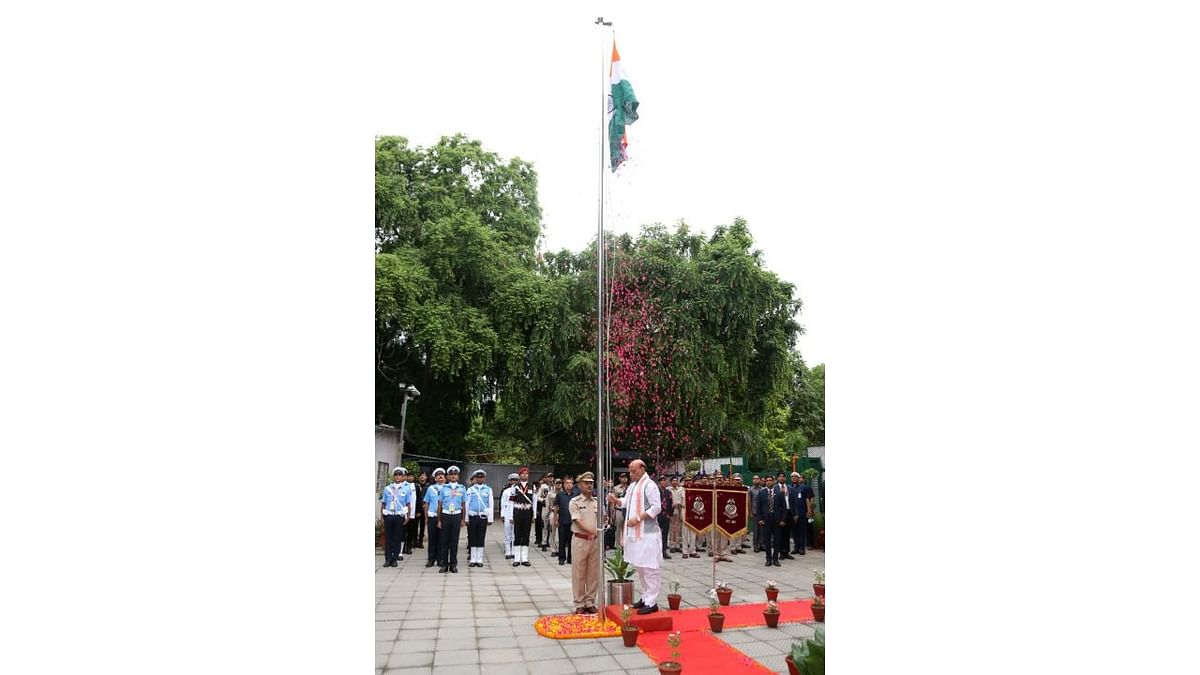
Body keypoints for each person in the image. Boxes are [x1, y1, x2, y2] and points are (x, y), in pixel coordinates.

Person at [606, 459, 663, 614]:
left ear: (642, 469)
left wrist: (638, 518)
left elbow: (656, 507)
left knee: (650, 568)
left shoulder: (650, 485)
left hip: (647, 534)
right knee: (640, 567)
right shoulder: (632, 486)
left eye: (633, 471)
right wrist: (616, 500)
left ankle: (652, 602)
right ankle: (645, 597)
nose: (630, 474)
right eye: (629, 471)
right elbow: (626, 502)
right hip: (634, 534)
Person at [569, 472, 601, 614]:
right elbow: (578, 521)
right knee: (579, 573)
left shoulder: (597, 502)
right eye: (586, 482)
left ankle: (590, 602)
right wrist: (594, 531)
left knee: (593, 573)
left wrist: (599, 531)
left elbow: (603, 518)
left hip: (594, 542)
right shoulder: (575, 502)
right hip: (580, 540)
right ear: (579, 485)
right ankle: (579, 603)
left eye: (591, 482)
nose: (589, 485)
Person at [380, 467, 415, 567]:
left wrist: (408, 517)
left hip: (399, 516)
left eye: (400, 475)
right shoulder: (388, 488)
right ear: (393, 476)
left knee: (397, 538)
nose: (397, 477)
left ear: (402, 476)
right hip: (389, 515)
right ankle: (388, 559)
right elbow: (383, 503)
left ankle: (395, 558)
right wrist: (382, 517)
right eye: (396, 475)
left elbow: (408, 504)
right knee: (388, 539)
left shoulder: (406, 489)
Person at [437, 466, 466, 573]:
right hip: (445, 515)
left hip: (456, 515)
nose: (453, 476)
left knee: (454, 541)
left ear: (458, 476)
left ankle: (453, 564)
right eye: (451, 474)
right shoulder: (444, 488)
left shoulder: (462, 488)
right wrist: (439, 520)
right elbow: (439, 504)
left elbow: (463, 504)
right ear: (448, 476)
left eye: (455, 474)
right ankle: (444, 564)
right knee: (444, 541)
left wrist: (463, 519)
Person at [509, 467, 538, 567]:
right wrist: (511, 516)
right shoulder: (515, 487)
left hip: (527, 512)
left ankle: (524, 558)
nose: (525, 475)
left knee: (526, 535)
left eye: (526, 474)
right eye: (523, 474)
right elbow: (511, 502)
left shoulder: (532, 487)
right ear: (519, 475)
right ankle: (517, 558)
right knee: (517, 534)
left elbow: (534, 502)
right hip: (517, 511)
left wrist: (534, 515)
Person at [464, 469, 493, 568]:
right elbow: (467, 504)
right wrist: (466, 518)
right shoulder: (470, 490)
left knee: (481, 537)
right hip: (473, 516)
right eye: (478, 477)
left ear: (484, 478)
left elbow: (491, 504)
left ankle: (479, 559)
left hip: (483, 516)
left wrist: (490, 518)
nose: (480, 479)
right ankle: (473, 559)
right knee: (472, 537)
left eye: (481, 477)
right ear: (475, 478)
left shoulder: (488, 489)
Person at [756, 474, 786, 567]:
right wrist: (760, 519)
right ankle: (768, 559)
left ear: (773, 481)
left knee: (777, 540)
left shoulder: (780, 493)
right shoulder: (762, 493)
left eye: (770, 480)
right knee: (767, 540)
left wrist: (783, 519)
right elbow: (758, 507)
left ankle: (775, 559)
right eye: (767, 480)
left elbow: (784, 508)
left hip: (776, 519)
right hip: (766, 519)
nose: (768, 482)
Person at [423, 468, 445, 568]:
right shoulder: (430, 489)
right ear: (435, 478)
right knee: (432, 538)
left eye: (442, 476)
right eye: (438, 476)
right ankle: (431, 559)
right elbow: (426, 503)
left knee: (441, 539)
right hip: (432, 516)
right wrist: (426, 517)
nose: (440, 477)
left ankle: (440, 559)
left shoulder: (448, 488)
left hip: (443, 517)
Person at [788, 471, 812, 555]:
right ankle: (796, 547)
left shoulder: (803, 488)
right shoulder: (788, 487)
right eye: (792, 477)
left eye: (795, 476)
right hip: (792, 513)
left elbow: (807, 499)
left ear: (798, 478)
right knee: (794, 532)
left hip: (802, 512)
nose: (794, 478)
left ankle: (802, 548)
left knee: (802, 531)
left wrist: (809, 510)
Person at [553, 476, 575, 564]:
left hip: (573, 521)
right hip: (562, 520)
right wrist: (555, 519)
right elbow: (556, 507)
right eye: (567, 483)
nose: (569, 485)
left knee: (571, 541)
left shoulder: (575, 495)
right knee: (562, 540)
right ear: (564, 485)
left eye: (570, 483)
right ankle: (562, 558)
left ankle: (570, 558)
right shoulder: (560, 495)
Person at [774, 472, 794, 560]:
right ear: (777, 478)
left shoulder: (789, 487)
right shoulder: (775, 488)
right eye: (780, 476)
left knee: (787, 534)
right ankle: (781, 552)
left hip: (789, 512)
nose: (781, 478)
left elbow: (793, 500)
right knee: (780, 534)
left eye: (783, 476)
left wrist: (795, 513)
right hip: (780, 514)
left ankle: (787, 552)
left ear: (785, 478)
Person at [409, 471, 428, 550]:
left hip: (425, 507)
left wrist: (425, 504)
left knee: (423, 525)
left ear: (426, 477)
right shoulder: (416, 486)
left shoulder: (428, 486)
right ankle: (414, 541)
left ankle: (420, 541)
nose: (422, 477)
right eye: (421, 476)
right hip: (417, 508)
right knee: (415, 525)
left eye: (424, 475)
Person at [500, 473, 517, 559]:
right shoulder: (506, 491)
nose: (514, 481)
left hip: (516, 512)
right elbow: (502, 503)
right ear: (509, 481)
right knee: (507, 533)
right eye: (512, 480)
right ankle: (507, 551)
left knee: (515, 533)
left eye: (516, 480)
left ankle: (514, 551)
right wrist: (502, 514)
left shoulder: (519, 490)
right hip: (507, 512)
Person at [611, 472, 629, 548]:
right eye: (622, 477)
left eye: (625, 477)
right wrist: (612, 514)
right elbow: (613, 501)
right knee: (618, 529)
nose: (624, 478)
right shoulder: (616, 488)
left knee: (626, 529)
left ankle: (626, 545)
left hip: (627, 511)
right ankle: (618, 546)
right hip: (619, 510)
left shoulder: (630, 488)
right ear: (619, 478)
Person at [657, 476, 673, 559]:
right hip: (658, 515)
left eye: (664, 481)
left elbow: (670, 504)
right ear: (659, 483)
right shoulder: (656, 491)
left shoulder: (668, 492)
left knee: (665, 534)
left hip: (666, 515)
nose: (663, 482)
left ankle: (664, 551)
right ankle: (656, 552)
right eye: (661, 481)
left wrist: (670, 514)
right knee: (656, 534)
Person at [535, 474, 552, 550]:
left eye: (551, 477)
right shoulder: (543, 487)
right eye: (549, 477)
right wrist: (543, 500)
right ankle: (544, 542)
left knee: (551, 526)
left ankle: (550, 541)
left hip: (553, 508)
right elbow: (537, 496)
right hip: (545, 507)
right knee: (544, 525)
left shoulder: (555, 486)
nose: (550, 479)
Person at [668, 477, 685, 553]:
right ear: (671, 482)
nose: (675, 482)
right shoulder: (668, 490)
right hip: (671, 511)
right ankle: (672, 545)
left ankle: (677, 545)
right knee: (672, 529)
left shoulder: (680, 490)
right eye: (673, 481)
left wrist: (678, 503)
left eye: (676, 481)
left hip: (678, 510)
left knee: (678, 529)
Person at [748, 475, 763, 553]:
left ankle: (761, 545)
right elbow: (749, 502)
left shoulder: (763, 489)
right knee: (756, 531)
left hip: (762, 513)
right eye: (754, 479)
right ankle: (755, 546)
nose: (756, 480)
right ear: (752, 480)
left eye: (757, 479)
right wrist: (750, 512)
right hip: (755, 512)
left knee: (762, 530)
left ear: (760, 480)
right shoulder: (750, 490)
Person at [546, 478, 560, 556]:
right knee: (553, 532)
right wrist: (547, 514)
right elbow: (547, 505)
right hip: (553, 513)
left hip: (562, 514)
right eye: (557, 483)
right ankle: (553, 549)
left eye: (560, 482)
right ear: (554, 484)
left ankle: (559, 548)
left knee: (560, 532)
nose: (558, 484)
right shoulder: (550, 494)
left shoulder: (563, 493)